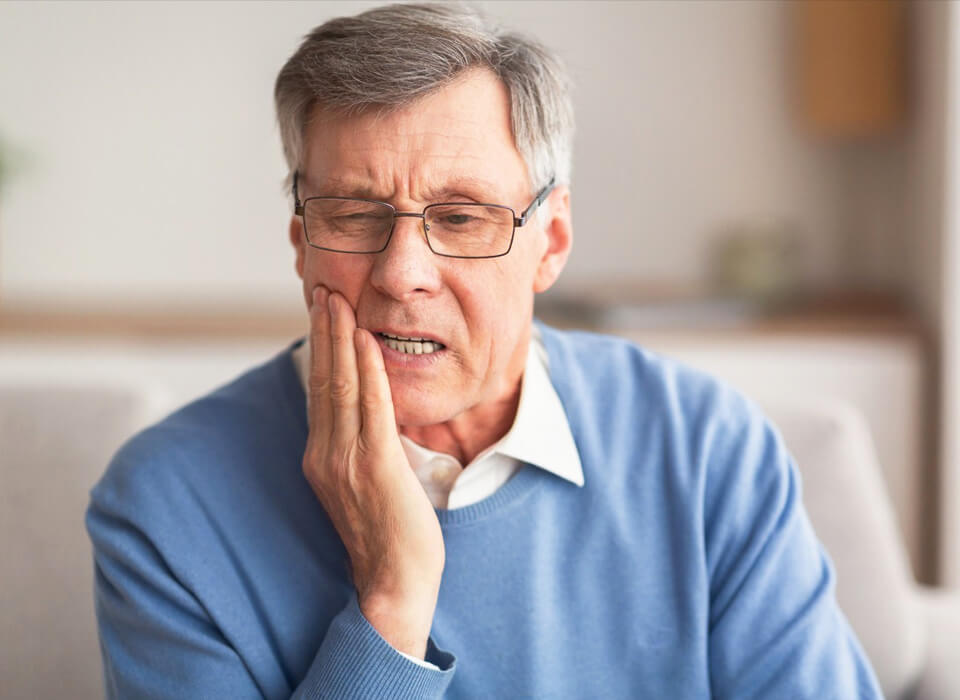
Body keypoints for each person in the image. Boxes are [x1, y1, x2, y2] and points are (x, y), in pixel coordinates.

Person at [86, 4, 882, 698]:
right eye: (355, 215)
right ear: (301, 243)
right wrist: (394, 601)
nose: (402, 276)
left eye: (462, 218)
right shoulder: (164, 505)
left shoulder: (708, 451)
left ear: (552, 241)